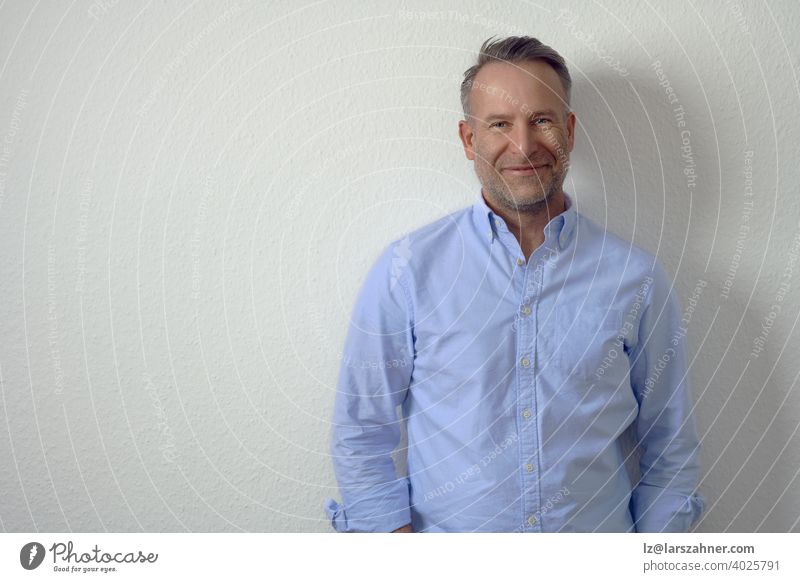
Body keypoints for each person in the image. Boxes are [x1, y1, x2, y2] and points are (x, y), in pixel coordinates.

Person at [324, 36, 705, 533]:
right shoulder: (408, 272)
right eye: (499, 124)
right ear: (468, 139)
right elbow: (360, 432)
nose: (523, 146)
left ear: (568, 130)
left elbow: (670, 443)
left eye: (542, 120)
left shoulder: (635, 279)